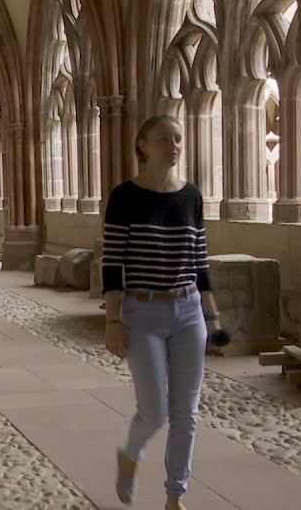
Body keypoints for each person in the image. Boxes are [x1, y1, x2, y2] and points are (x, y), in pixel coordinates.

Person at [102, 114, 224, 510]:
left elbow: (200, 259)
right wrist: (113, 321)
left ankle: (175, 495)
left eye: (178, 139)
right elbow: (112, 263)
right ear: (142, 146)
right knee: (154, 412)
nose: (174, 146)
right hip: (144, 312)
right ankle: (131, 455)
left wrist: (212, 316)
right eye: (164, 139)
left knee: (186, 413)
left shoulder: (191, 196)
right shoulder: (124, 197)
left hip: (188, 310)